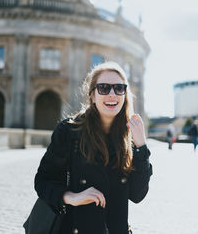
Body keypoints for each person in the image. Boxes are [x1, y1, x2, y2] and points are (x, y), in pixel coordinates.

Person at [34, 61, 153, 234]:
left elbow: (137, 195)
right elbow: (43, 181)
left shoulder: (130, 137)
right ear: (92, 95)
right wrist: (72, 197)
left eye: (119, 88)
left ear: (125, 95)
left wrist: (142, 147)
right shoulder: (69, 130)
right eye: (104, 88)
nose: (112, 94)